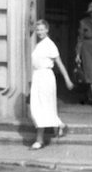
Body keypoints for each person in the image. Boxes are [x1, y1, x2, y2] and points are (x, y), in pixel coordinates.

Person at [29, 18, 73, 149]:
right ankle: (59, 124)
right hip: (37, 76)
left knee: (42, 107)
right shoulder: (38, 45)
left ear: (47, 30)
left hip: (46, 77)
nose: (39, 32)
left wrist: (67, 79)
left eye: (42, 29)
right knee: (37, 106)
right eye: (37, 30)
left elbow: (59, 63)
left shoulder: (50, 45)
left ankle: (40, 139)